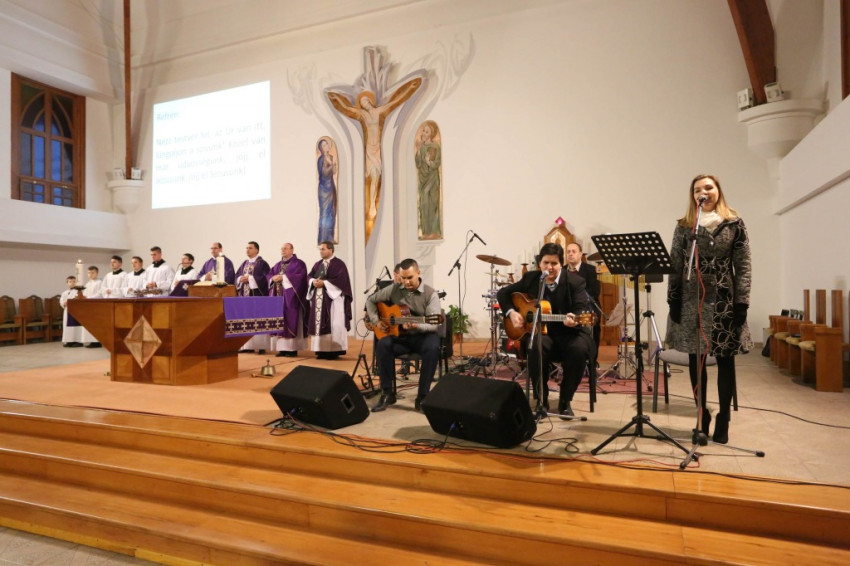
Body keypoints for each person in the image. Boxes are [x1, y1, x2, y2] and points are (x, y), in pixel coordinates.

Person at [666, 174, 752, 445]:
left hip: (725, 301)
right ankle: (701, 415)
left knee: (725, 360)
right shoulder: (685, 226)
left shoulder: (734, 223)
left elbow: (744, 265)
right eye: (697, 190)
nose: (703, 192)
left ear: (718, 191)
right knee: (697, 360)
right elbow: (676, 263)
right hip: (692, 301)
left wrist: (742, 302)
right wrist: (673, 298)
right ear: (693, 196)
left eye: (708, 187)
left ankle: (724, 417)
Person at [497, 242, 593, 417]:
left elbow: (582, 308)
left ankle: (565, 399)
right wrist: (512, 313)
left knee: (578, 350)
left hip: (569, 333)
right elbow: (502, 293)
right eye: (546, 263)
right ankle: (542, 400)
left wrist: (575, 318)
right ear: (539, 263)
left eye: (554, 263)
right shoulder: (531, 278)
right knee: (535, 347)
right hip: (541, 333)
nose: (549, 267)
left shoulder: (575, 281)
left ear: (561, 264)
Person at [327, 77, 422, 242]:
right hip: (368, 150)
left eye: (366, 101)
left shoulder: (380, 111)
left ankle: (372, 204)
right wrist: (335, 99)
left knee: (377, 176)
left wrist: (411, 88)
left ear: (370, 101)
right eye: (362, 103)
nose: (364, 105)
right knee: (370, 176)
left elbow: (396, 101)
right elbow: (346, 109)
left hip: (378, 148)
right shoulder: (362, 115)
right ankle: (371, 204)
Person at [366, 258, 442, 412]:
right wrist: (377, 321)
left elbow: (433, 323)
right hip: (402, 337)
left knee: (433, 347)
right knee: (383, 344)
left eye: (410, 278)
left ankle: (423, 397)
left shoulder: (430, 294)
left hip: (423, 337)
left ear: (418, 273)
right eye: (403, 278)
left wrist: (416, 325)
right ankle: (387, 393)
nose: (406, 282)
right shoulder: (394, 289)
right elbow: (370, 300)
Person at [306, 241, 352, 359]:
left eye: (323, 249)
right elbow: (309, 276)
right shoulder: (318, 264)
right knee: (318, 323)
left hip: (334, 301)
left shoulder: (339, 264)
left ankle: (334, 351)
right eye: (320, 249)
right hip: (318, 299)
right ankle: (320, 350)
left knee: (334, 323)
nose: (321, 251)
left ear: (331, 250)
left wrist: (325, 283)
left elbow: (342, 281)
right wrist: (313, 282)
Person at [267, 243, 308, 357]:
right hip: (278, 298)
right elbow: (269, 275)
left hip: (291, 299)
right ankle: (282, 349)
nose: (283, 250)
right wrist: (273, 278)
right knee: (278, 322)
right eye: (282, 248)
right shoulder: (278, 265)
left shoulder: (299, 264)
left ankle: (292, 349)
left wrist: (284, 278)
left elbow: (301, 278)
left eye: (285, 248)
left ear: (292, 250)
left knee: (290, 320)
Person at [565, 242, 601, 362]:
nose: (570, 254)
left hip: (588, 306)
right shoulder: (562, 270)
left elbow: (594, 292)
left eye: (573, 251)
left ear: (580, 254)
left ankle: (592, 361)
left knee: (594, 324)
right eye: (568, 252)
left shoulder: (591, 270)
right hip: (567, 307)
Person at [236, 241, 271, 353]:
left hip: (257, 297)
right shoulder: (244, 263)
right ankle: (247, 346)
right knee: (246, 320)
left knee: (258, 320)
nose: (247, 250)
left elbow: (265, 279)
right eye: (246, 248)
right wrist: (240, 279)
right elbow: (237, 276)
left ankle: (261, 346)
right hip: (244, 297)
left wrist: (250, 279)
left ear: (257, 250)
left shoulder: (262, 264)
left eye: (250, 248)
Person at [415, 120, 442, 240]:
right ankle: (425, 231)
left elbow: (437, 163)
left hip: (432, 179)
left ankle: (434, 231)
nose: (423, 134)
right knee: (424, 204)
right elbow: (418, 164)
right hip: (423, 179)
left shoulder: (435, 147)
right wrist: (419, 151)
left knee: (432, 204)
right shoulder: (421, 147)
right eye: (423, 131)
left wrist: (429, 162)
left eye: (426, 132)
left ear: (431, 135)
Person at [316, 138, 338, 244]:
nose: (327, 146)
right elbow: (324, 173)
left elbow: (334, 171)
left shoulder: (331, 157)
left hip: (331, 186)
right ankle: (323, 238)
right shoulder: (321, 159)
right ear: (321, 148)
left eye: (327, 145)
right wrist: (332, 166)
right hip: (323, 188)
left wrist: (334, 167)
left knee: (332, 211)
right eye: (324, 146)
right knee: (324, 212)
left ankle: (329, 237)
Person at [81, 266, 103, 347]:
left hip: (96, 305)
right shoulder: (88, 284)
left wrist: (88, 298)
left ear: (97, 273)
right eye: (89, 273)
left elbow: (100, 294)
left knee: (96, 324)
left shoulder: (100, 282)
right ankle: (91, 340)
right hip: (88, 306)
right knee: (89, 324)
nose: (90, 274)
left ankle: (97, 342)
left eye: (93, 273)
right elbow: (84, 294)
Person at [59, 275, 82, 347]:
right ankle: (69, 341)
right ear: (67, 283)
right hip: (67, 311)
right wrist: (64, 303)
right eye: (70, 281)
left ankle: (78, 341)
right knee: (68, 327)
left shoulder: (79, 292)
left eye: (74, 281)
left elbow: (79, 300)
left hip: (76, 311)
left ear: (76, 282)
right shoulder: (64, 293)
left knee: (76, 327)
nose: (72, 283)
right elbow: (61, 301)